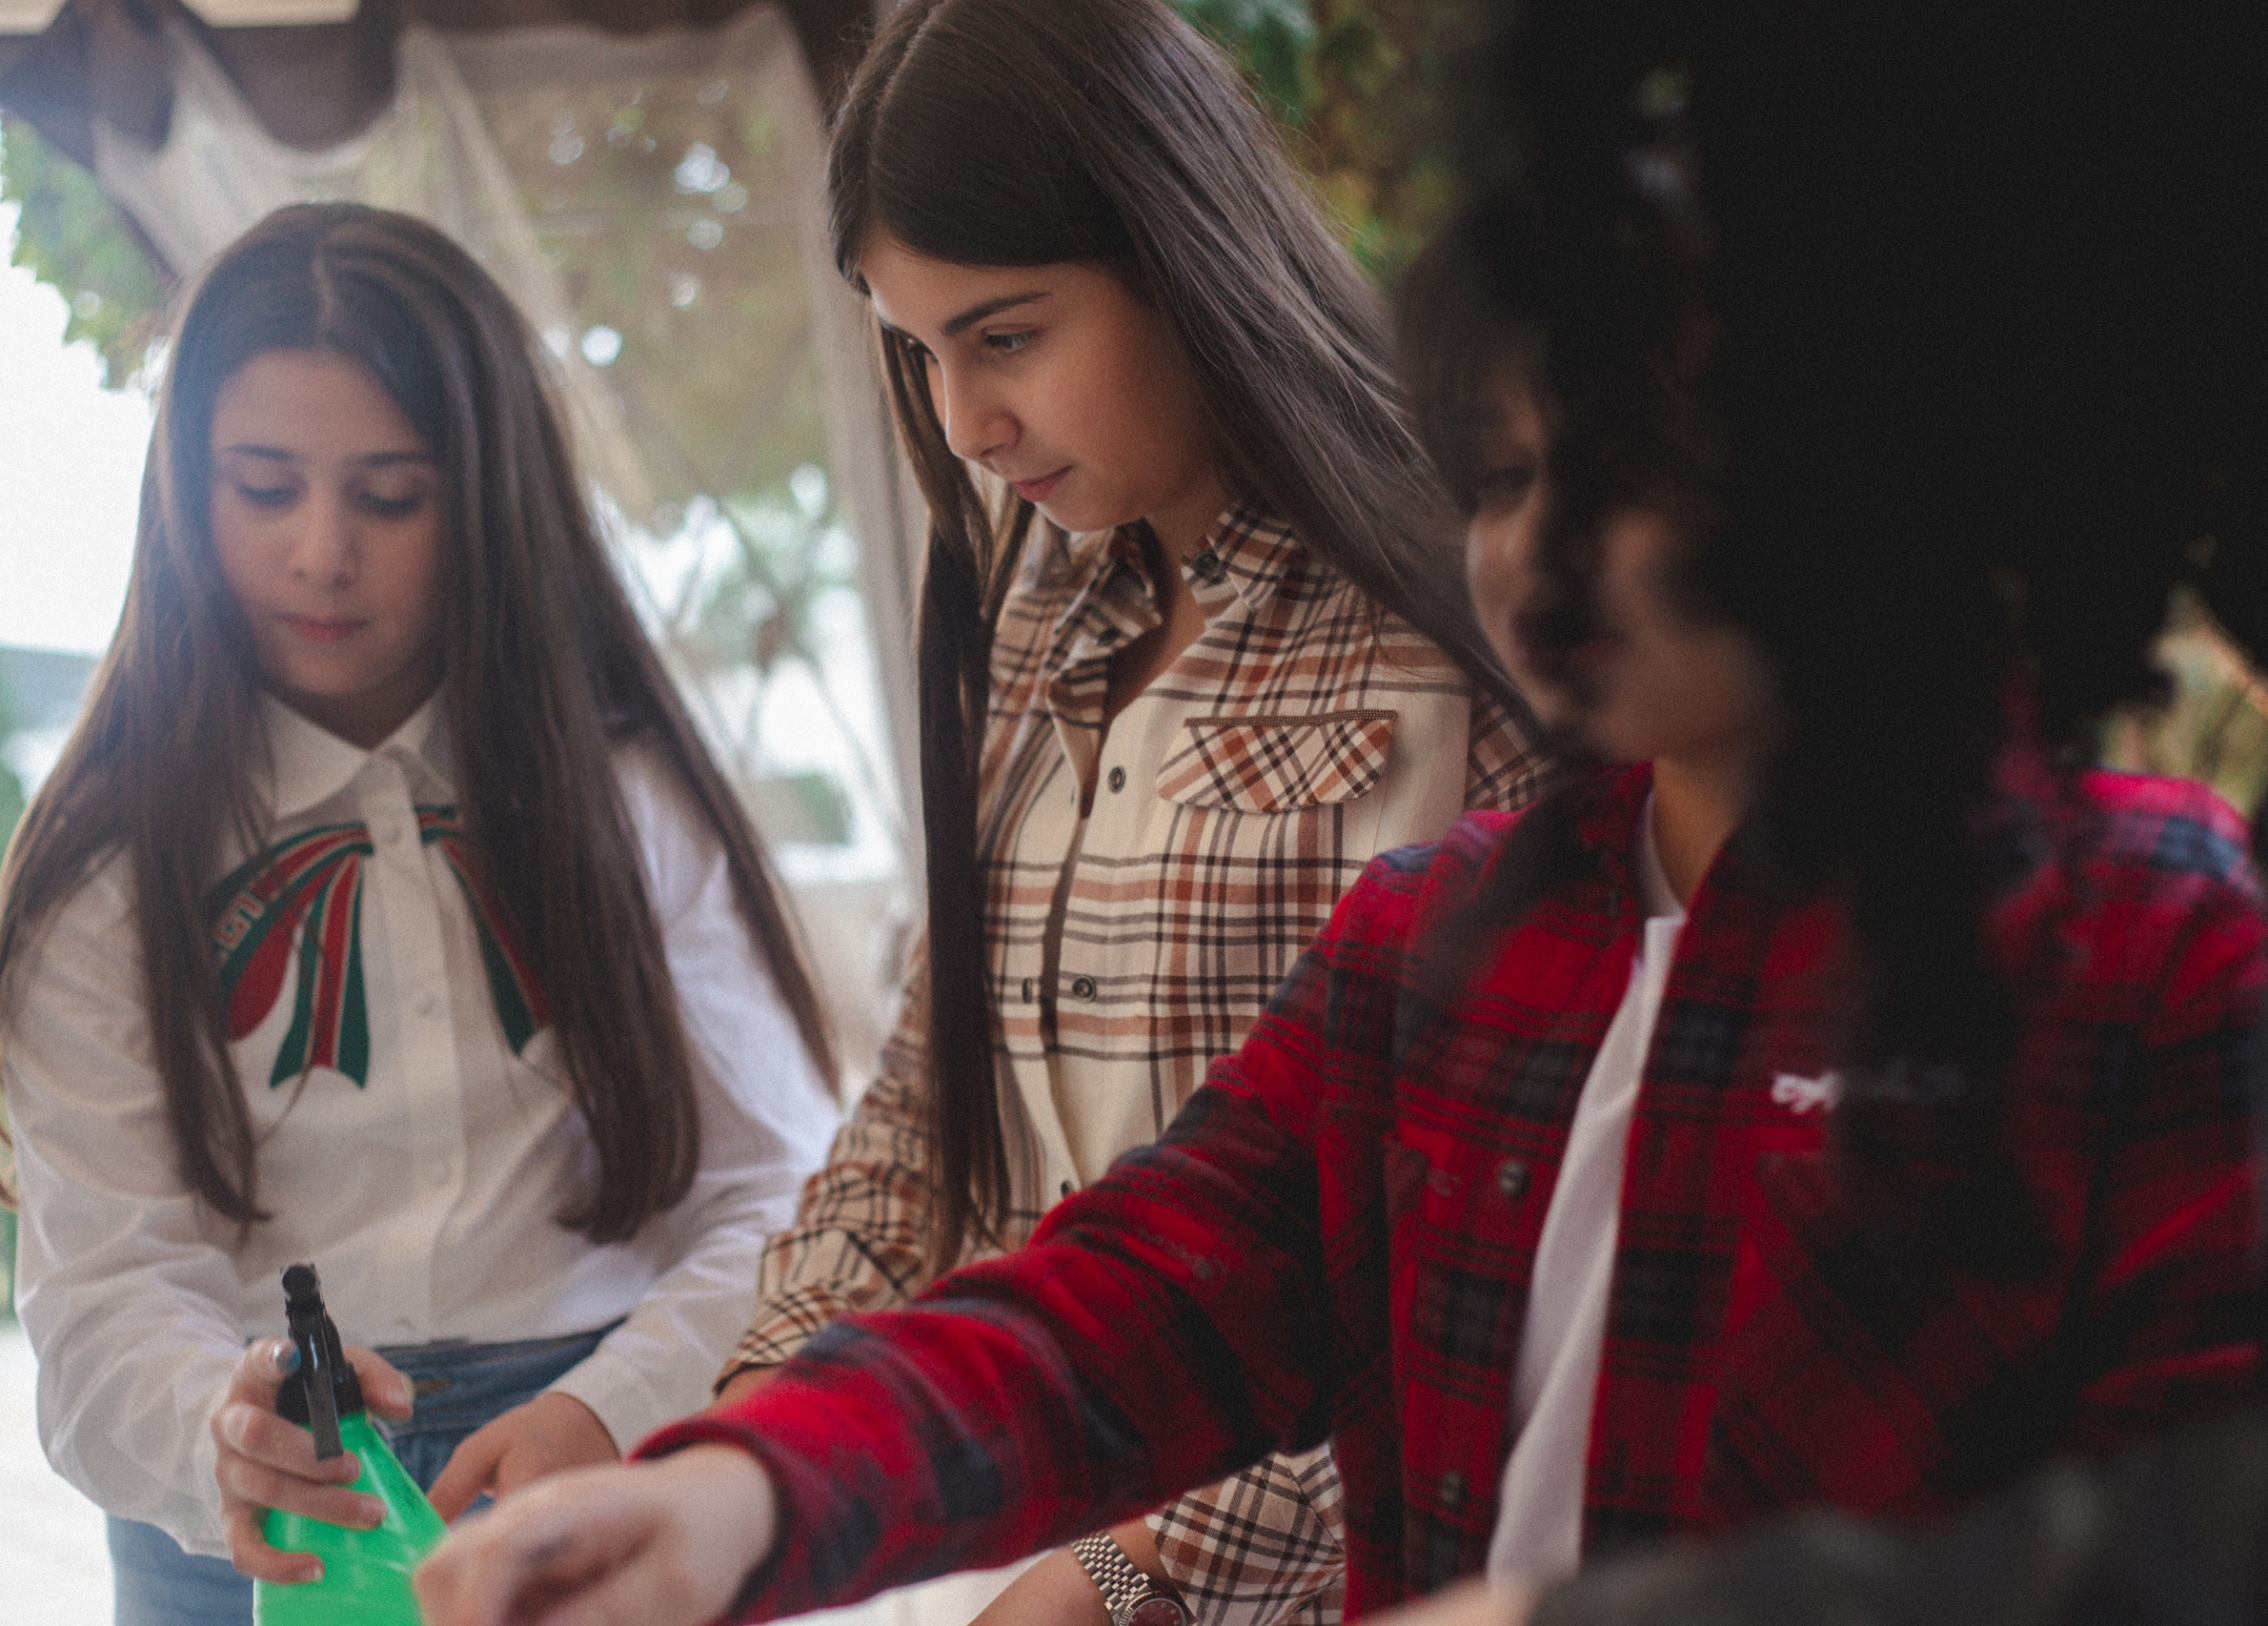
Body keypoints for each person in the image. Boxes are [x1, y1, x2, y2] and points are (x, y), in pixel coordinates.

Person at [407, 2, 2268, 1624]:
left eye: (1626, 465)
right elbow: (1118, 1298)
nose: (1536, 544)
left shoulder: (2144, 946)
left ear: (1875, 436)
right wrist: (734, 1476)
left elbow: (2166, 1537)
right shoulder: (1441, 946)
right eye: (1507, 469)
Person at [712, 4, 1549, 1624]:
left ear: (1183, 251)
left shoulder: (1470, 616)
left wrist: (1140, 1569)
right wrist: (744, 1444)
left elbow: (1480, 1238)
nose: (962, 421)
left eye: (1005, 335)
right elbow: (932, 1100)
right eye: (916, 347)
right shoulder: (1041, 610)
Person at [0, 201, 840, 1626]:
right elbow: (105, 1282)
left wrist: (614, 1404)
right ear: (183, 493)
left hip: (593, 1453)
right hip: (242, 1512)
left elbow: (785, 1194)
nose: (320, 553)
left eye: (388, 496)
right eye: (262, 488)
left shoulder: (636, 804)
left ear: (492, 501)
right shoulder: (106, 863)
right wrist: (222, 1427)